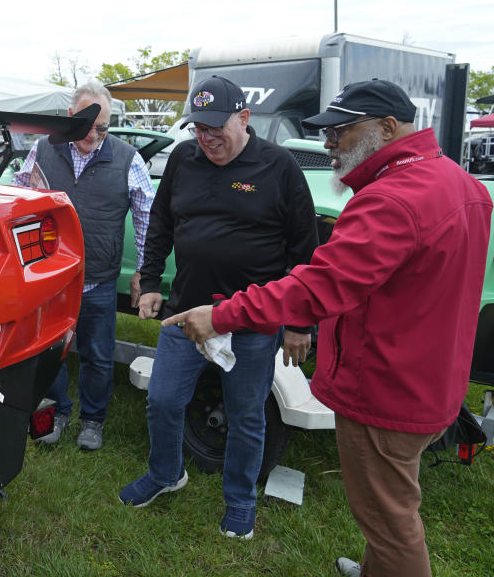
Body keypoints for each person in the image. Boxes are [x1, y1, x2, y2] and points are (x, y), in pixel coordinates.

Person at [166, 80, 492, 576]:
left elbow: (318, 286)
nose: (328, 144)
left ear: (387, 127)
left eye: (340, 132)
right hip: (432, 376)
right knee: (391, 508)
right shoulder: (457, 181)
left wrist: (222, 315)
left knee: (390, 521)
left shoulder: (392, 199)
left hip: (385, 385)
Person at [118, 76, 318, 540]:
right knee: (164, 400)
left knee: (246, 414)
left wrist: (299, 321)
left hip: (252, 318)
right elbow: (162, 223)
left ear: (244, 118)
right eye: (197, 129)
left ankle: (241, 500)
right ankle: (167, 473)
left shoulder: (280, 166)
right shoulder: (184, 160)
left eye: (214, 128)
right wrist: (149, 281)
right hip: (187, 313)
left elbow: (305, 252)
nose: (205, 139)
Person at [13, 81, 154, 451]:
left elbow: (146, 217)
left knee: (98, 354)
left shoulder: (127, 158)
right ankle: (58, 411)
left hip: (99, 281)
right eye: (88, 124)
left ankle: (93, 420)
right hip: (52, 279)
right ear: (71, 117)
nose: (95, 134)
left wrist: (143, 271)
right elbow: (17, 197)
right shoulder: (43, 149)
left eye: (103, 127)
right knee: (51, 350)